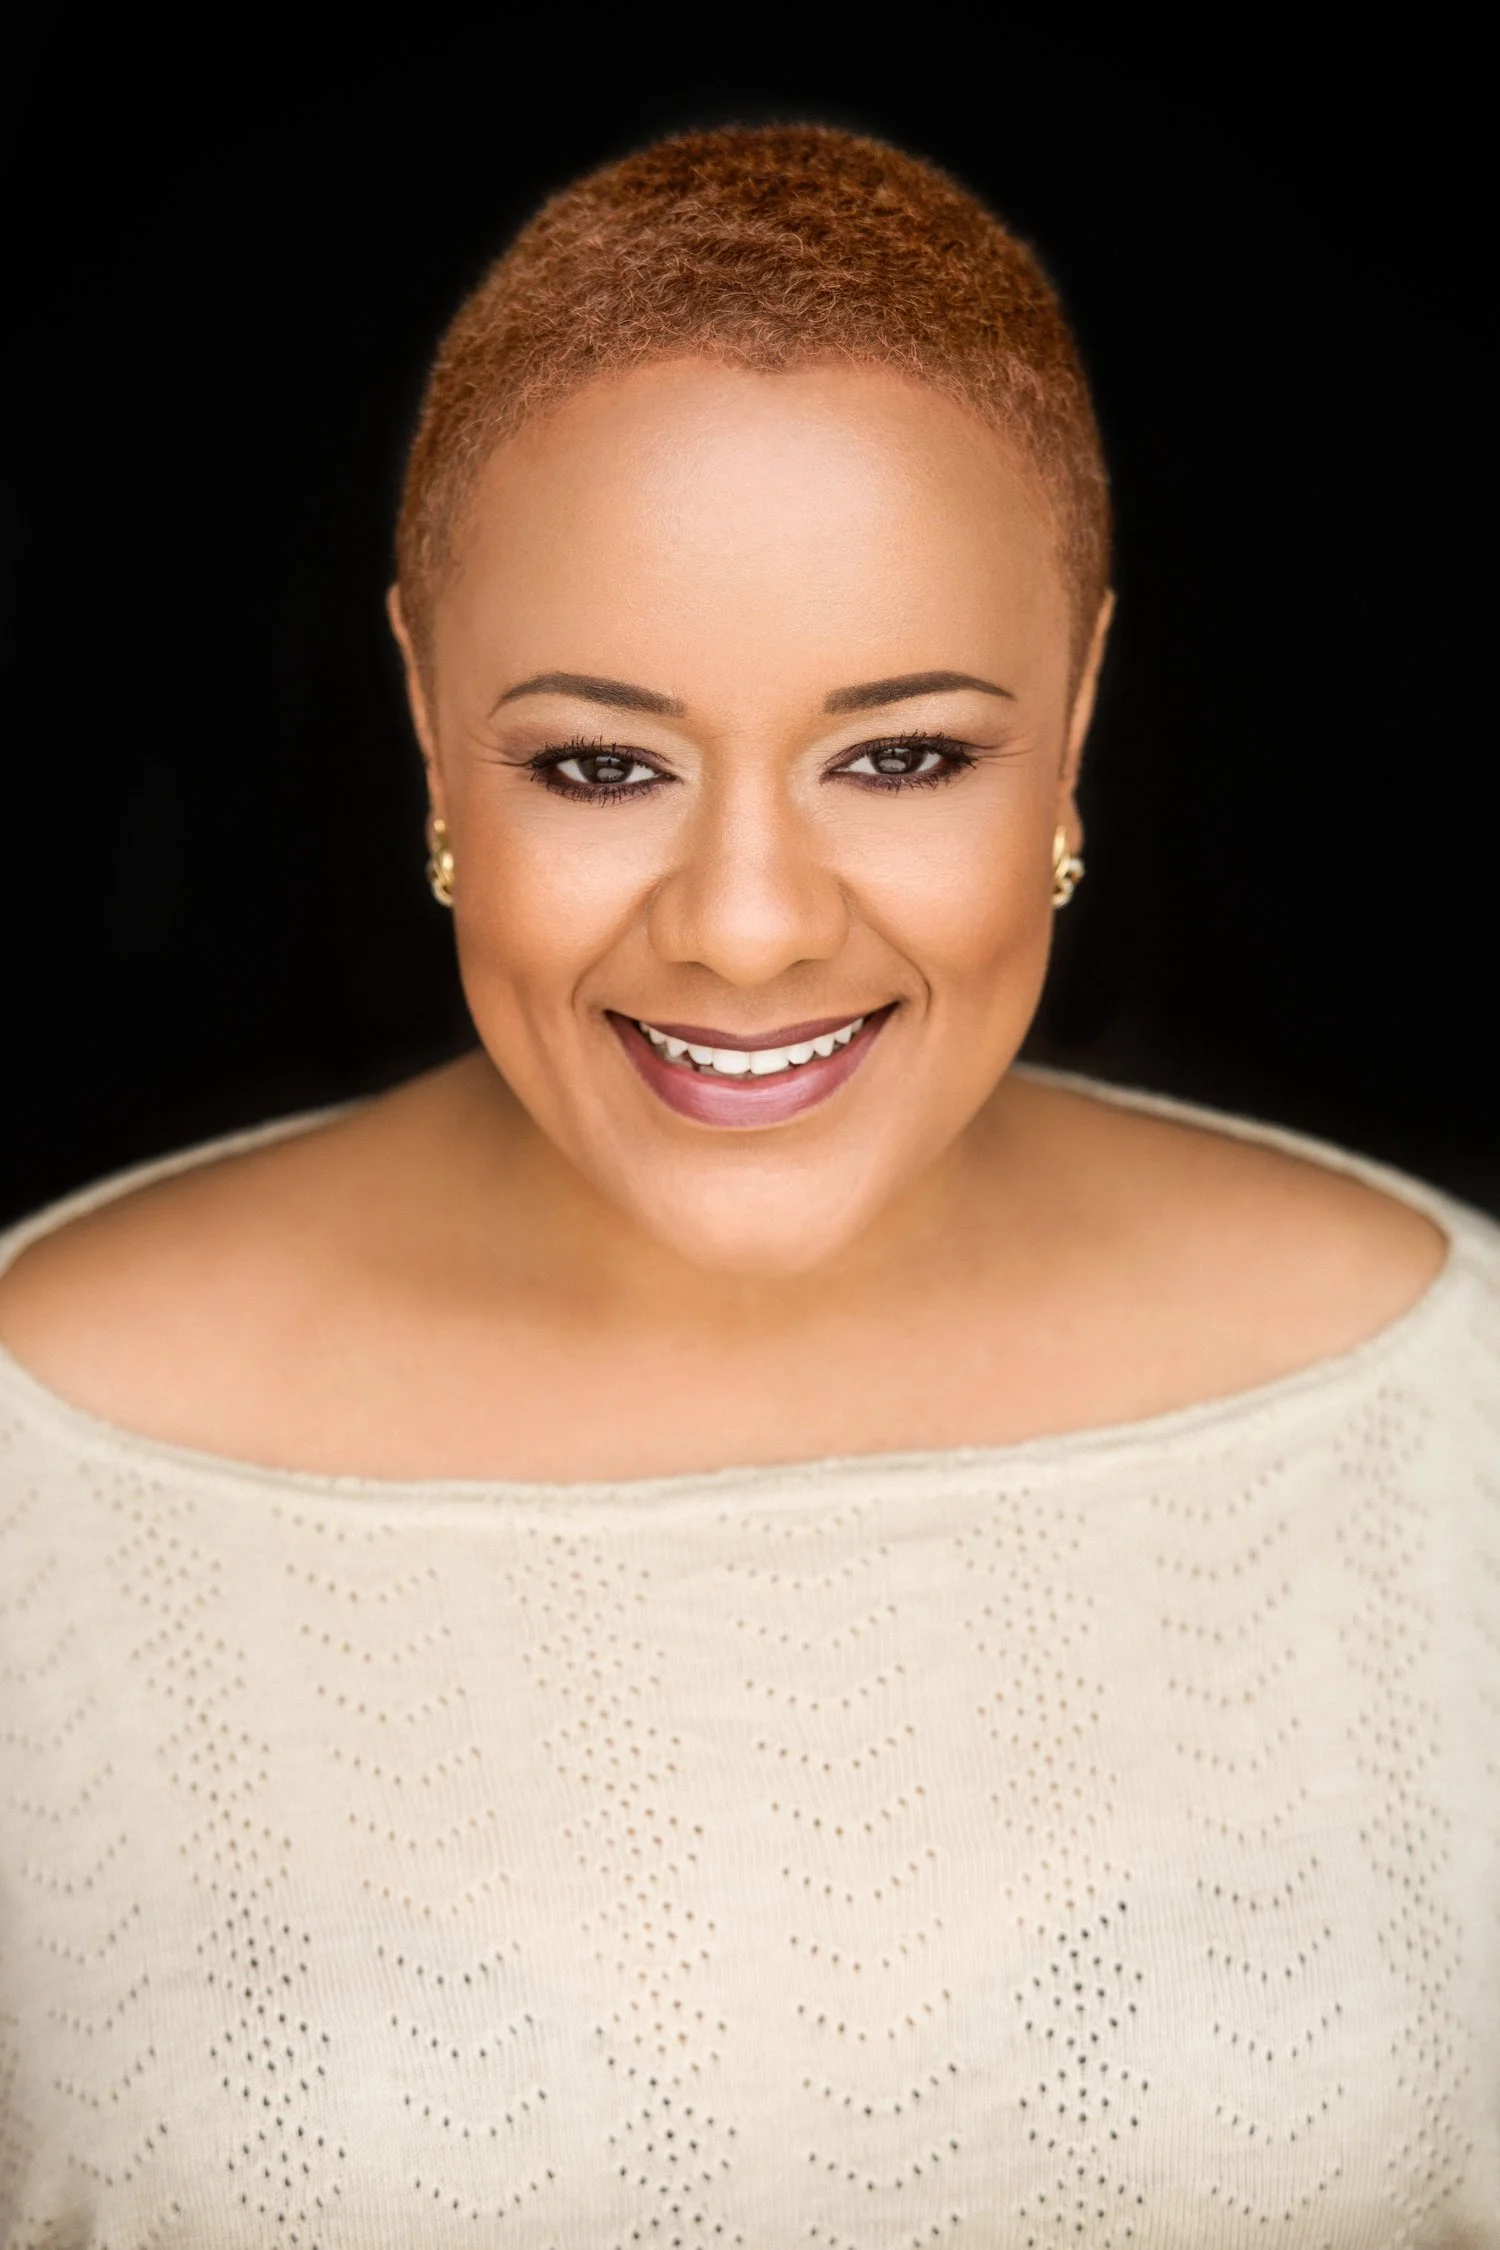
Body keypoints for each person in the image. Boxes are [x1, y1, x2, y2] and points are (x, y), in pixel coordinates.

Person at [0, 125, 1494, 2247]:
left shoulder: (1458, 1428)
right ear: (427, 715)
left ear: (1077, 713)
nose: (751, 925)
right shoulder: (33, 1482)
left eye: (903, 754)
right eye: (601, 763)